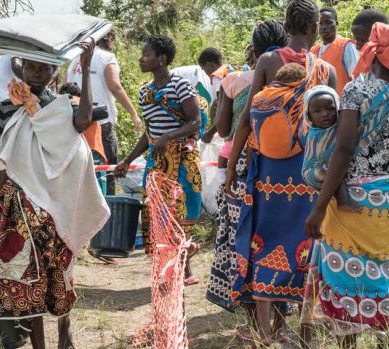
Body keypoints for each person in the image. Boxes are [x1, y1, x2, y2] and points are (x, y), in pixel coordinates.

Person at [0, 40, 110, 349]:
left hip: (54, 204)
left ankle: (65, 330)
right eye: (31, 66)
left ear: (53, 72)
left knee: (61, 270)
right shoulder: (7, 106)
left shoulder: (59, 104)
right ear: (20, 65)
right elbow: (4, 158)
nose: (37, 72)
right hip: (22, 204)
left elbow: (83, 122)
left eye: (44, 67)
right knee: (27, 277)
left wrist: (87, 72)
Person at [225, 0, 337, 345]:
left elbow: (246, 119)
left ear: (286, 26)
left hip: (269, 174)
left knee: (264, 243)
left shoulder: (268, 61)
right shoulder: (325, 70)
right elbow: (332, 129)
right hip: (309, 175)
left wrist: (232, 167)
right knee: (305, 247)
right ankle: (305, 332)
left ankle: (265, 332)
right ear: (314, 29)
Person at [302, 21, 389, 349]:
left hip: (353, 198)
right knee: (384, 278)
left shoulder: (356, 89)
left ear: (372, 50)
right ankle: (383, 342)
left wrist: (319, 208)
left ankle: (347, 345)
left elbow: (344, 148)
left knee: (344, 276)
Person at [206, 21, 289, 314]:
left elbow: (226, 129)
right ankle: (279, 306)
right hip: (279, 164)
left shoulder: (235, 81)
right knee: (275, 236)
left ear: (253, 49)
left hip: (241, 162)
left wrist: (221, 99)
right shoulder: (294, 76)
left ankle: (248, 306)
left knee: (238, 233)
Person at [114, 34, 203, 285]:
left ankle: (184, 269)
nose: (141, 58)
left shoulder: (181, 85)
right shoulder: (145, 92)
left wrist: (168, 136)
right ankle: (169, 268)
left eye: (146, 54)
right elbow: (149, 133)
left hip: (184, 160)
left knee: (182, 212)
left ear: (162, 59)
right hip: (158, 160)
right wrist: (127, 160)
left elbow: (195, 122)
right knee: (158, 214)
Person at [66, 29, 142, 195]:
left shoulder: (74, 60)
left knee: (80, 169)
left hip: (75, 122)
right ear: (109, 39)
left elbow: (66, 88)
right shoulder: (107, 58)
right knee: (107, 169)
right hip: (100, 123)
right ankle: (109, 208)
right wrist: (134, 114)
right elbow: (115, 86)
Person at [311, 7, 360, 95]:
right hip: (319, 106)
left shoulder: (346, 45)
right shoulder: (313, 50)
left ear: (336, 23)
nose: (324, 27)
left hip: (343, 105)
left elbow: (357, 79)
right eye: (320, 24)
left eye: (329, 22)